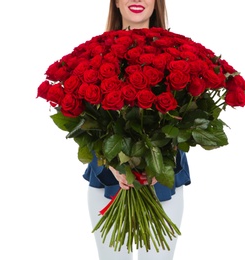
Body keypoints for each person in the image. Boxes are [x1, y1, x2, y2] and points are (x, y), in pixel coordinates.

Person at [83, 1, 191, 259]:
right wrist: (113, 164)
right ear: (116, 2)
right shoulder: (94, 55)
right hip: (107, 178)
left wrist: (160, 163)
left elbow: (183, 121)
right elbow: (87, 123)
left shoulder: (180, 55)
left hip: (163, 181)